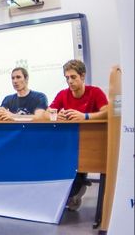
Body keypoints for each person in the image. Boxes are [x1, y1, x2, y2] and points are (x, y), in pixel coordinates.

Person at [47, 59, 108, 211]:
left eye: (73, 77)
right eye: (67, 78)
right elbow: (48, 111)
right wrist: (55, 115)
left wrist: (85, 116)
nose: (69, 81)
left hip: (90, 144)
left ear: (82, 76)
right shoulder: (63, 94)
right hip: (67, 143)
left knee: (78, 171)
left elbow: (108, 112)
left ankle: (77, 190)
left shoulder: (95, 92)